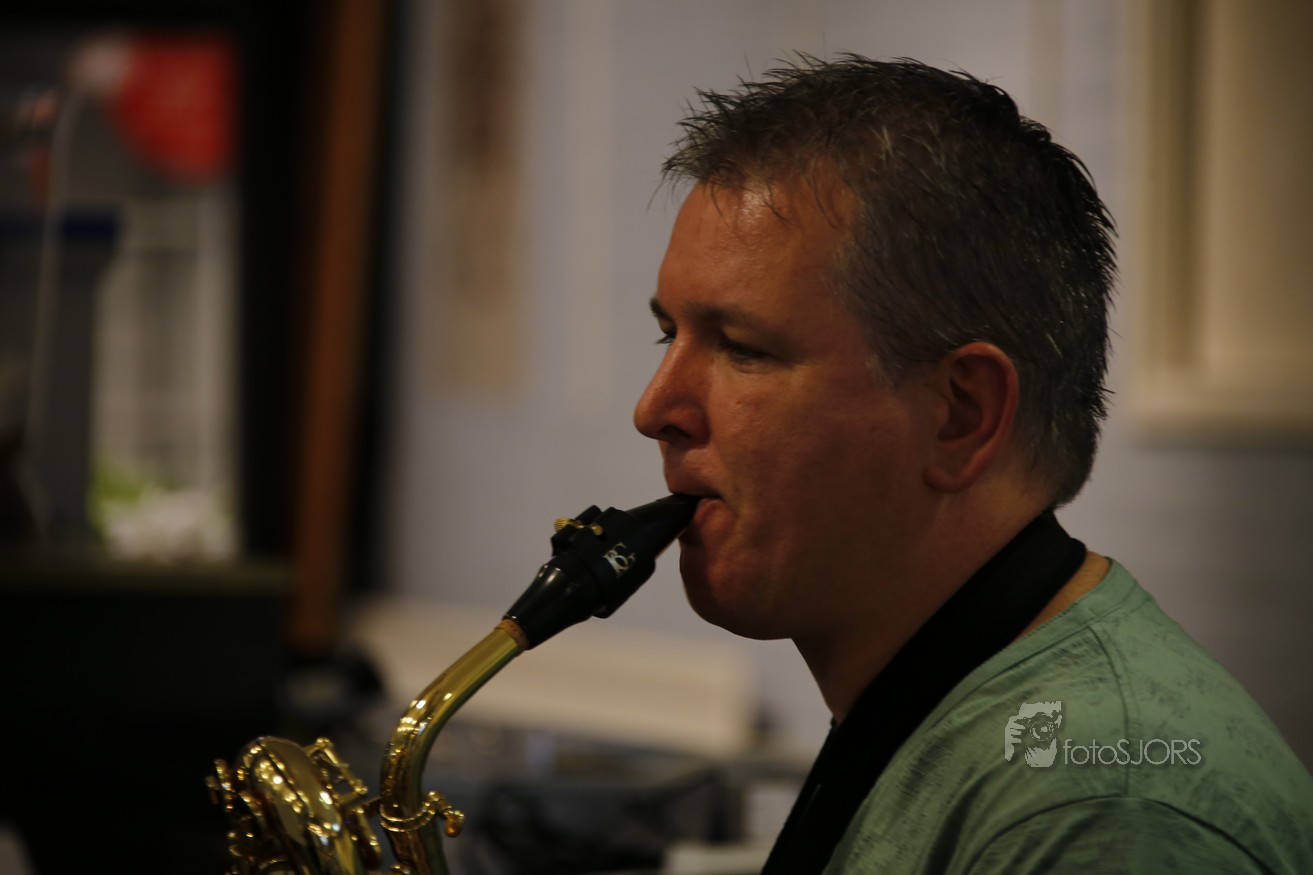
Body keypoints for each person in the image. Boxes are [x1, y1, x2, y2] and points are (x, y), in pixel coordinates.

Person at [632, 55, 1313, 874]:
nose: (654, 409)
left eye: (742, 347)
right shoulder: (954, 713)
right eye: (669, 333)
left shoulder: (1101, 816)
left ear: (960, 414)